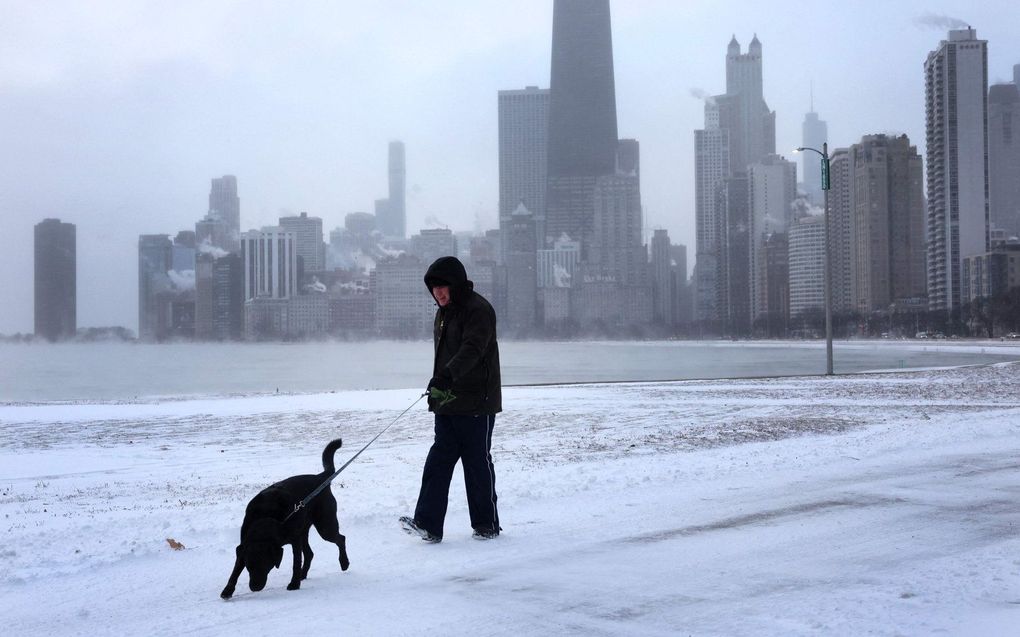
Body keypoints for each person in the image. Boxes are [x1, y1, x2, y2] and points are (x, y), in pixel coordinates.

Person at [400, 256, 502, 543]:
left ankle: (486, 524)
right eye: (434, 289)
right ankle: (428, 524)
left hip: (476, 403)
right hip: (447, 402)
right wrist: (439, 388)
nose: (439, 293)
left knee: (476, 464)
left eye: (443, 287)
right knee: (438, 462)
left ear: (456, 285)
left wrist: (447, 376)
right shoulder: (443, 313)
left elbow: (472, 349)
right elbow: (445, 357)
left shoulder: (478, 310)